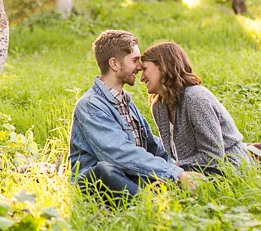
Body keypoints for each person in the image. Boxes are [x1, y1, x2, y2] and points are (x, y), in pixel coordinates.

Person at [69, 30, 202, 203]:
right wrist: (175, 174)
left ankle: (163, 197)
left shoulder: (124, 101)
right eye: (134, 60)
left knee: (160, 171)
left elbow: (150, 145)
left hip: (129, 174)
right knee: (105, 170)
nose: (139, 67)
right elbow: (119, 154)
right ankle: (150, 205)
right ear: (114, 64)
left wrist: (180, 165)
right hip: (99, 181)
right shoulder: (90, 105)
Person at [139, 41, 249, 174]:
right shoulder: (159, 106)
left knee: (162, 178)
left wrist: (174, 167)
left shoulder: (195, 99)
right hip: (192, 169)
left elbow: (213, 156)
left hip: (228, 165)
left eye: (145, 69)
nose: (142, 78)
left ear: (163, 67)